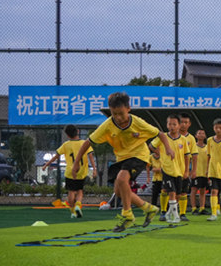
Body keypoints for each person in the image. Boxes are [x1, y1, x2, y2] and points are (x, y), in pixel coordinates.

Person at [71, 91, 173, 232]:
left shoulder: (137, 122)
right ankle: (148, 208)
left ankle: (127, 215)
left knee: (121, 178)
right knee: (119, 192)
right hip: (121, 158)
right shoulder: (108, 125)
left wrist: (168, 149)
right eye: (114, 114)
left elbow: (160, 134)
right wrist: (76, 163)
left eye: (121, 113)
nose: (118, 117)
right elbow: (88, 142)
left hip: (139, 155)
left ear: (128, 109)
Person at [41, 124, 96, 218]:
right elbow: (91, 156)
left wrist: (46, 164)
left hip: (70, 172)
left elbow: (56, 156)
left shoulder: (66, 145)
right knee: (80, 190)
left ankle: (73, 211)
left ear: (67, 135)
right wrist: (94, 169)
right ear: (78, 131)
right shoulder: (84, 143)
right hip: (81, 171)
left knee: (71, 191)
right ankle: (78, 205)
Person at [151, 114, 190, 224]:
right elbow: (151, 146)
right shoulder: (163, 137)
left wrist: (187, 170)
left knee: (177, 195)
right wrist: (161, 154)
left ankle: (168, 213)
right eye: (170, 124)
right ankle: (175, 216)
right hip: (167, 169)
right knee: (171, 192)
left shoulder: (183, 139)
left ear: (179, 126)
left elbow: (187, 156)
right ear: (167, 125)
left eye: (174, 124)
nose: (172, 126)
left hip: (179, 171)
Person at [177, 113, 198, 222]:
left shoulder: (191, 138)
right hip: (172, 168)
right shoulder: (171, 136)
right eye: (181, 122)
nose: (183, 124)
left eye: (186, 122)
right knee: (171, 192)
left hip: (184, 170)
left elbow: (194, 155)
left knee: (184, 191)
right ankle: (166, 212)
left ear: (189, 124)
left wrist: (193, 170)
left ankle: (182, 213)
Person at [191, 129, 210, 215]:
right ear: (196, 136)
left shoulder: (207, 147)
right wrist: (191, 171)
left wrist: (208, 170)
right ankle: (194, 208)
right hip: (196, 172)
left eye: (203, 133)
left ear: (205, 136)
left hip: (204, 172)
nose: (201, 135)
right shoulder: (193, 146)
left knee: (203, 190)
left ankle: (202, 208)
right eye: (199, 133)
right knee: (194, 190)